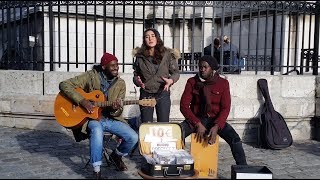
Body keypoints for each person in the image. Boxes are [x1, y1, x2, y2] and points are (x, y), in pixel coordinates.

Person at [59, 52, 138, 179]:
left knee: (133, 137)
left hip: (111, 119)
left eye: (117, 65)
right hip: (92, 118)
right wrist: (82, 101)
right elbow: (64, 84)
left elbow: (118, 112)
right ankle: (96, 170)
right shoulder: (91, 76)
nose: (116, 68)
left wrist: (115, 109)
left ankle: (116, 156)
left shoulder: (120, 83)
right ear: (103, 67)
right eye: (112, 65)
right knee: (96, 129)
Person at [179, 55, 247, 165]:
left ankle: (244, 169)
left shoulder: (223, 83)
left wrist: (217, 126)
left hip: (215, 120)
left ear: (212, 69)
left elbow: (225, 108)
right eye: (200, 67)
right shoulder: (192, 82)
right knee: (176, 135)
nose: (202, 69)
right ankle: (172, 166)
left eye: (205, 67)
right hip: (196, 118)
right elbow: (184, 106)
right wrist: (197, 123)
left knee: (235, 140)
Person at [132, 28, 180, 123]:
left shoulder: (167, 54)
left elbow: (176, 73)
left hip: (162, 92)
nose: (150, 39)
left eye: (153, 36)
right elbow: (136, 75)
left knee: (163, 123)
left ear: (157, 38)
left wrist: (171, 81)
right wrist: (137, 81)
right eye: (147, 37)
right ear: (144, 40)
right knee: (146, 125)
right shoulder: (140, 56)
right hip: (146, 93)